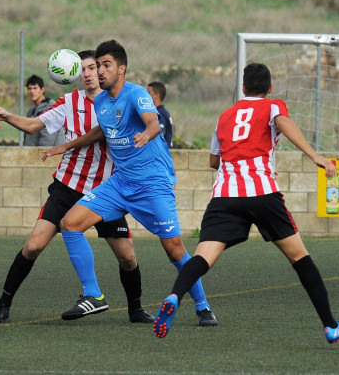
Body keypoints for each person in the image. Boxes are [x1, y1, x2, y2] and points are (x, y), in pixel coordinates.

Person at [153, 63, 339, 344]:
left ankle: (175, 295)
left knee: (202, 257)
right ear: (269, 89)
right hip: (262, 193)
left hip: (224, 196)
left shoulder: (224, 116)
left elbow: (214, 161)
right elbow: (283, 122)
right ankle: (330, 325)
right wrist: (314, 156)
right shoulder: (272, 107)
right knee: (300, 257)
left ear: (243, 88)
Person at [43, 40, 217, 326]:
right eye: (97, 65)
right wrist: (66, 146)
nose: (99, 70)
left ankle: (203, 306)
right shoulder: (100, 101)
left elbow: (153, 121)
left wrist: (147, 134)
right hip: (120, 183)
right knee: (70, 223)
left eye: (106, 65)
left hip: (153, 184)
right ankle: (94, 295)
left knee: (174, 248)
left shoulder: (137, 94)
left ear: (121, 69)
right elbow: (102, 130)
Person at [0, 50, 154, 324]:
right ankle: (2, 304)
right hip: (67, 186)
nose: (88, 74)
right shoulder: (69, 102)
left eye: (93, 68)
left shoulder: (118, 102)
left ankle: (135, 310)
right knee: (33, 246)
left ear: (102, 72)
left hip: (105, 191)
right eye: (83, 69)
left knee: (128, 258)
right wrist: (7, 116)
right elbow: (32, 126)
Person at [23, 74, 65, 146]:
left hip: (48, 154)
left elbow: (48, 138)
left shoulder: (50, 108)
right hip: (32, 153)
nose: (32, 91)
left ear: (42, 89)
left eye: (35, 88)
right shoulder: (30, 111)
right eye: (29, 88)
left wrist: (40, 155)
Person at [148, 81, 173, 148]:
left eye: (148, 93)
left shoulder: (159, 113)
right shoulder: (162, 111)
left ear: (157, 95)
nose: (146, 96)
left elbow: (160, 133)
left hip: (161, 154)